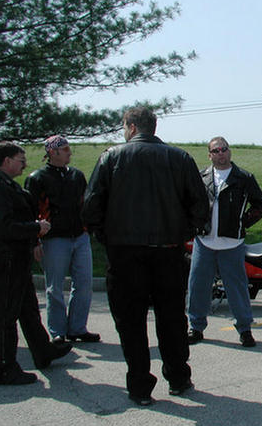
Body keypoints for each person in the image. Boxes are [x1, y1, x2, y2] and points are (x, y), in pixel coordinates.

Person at [82, 107, 209, 406]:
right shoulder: (179, 158)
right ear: (153, 127)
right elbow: (200, 205)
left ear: (131, 126)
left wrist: (106, 236)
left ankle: (140, 386)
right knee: (172, 317)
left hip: (125, 253)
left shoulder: (111, 157)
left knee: (131, 321)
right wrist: (183, 232)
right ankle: (178, 377)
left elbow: (91, 206)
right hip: (168, 250)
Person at [187, 137, 262, 347]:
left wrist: (242, 223)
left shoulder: (244, 178)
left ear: (229, 151)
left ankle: (245, 329)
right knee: (197, 286)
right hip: (204, 242)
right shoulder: (201, 177)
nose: (220, 153)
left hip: (232, 245)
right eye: (215, 151)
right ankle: (195, 327)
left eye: (223, 149)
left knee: (237, 289)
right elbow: (189, 203)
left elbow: (260, 205)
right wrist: (196, 224)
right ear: (209, 155)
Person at [25, 136, 99, 344]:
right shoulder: (37, 178)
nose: (69, 152)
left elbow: (85, 202)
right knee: (55, 287)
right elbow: (30, 211)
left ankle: (77, 328)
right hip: (53, 239)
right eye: (65, 149)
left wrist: (88, 228)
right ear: (53, 152)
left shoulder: (77, 175)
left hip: (80, 236)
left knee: (84, 284)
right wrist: (35, 241)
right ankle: (57, 331)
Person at [0, 142, 51, 385]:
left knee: (21, 308)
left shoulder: (7, 185)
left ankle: (41, 351)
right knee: (5, 315)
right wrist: (35, 228)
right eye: (21, 159)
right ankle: (5, 367)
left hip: (15, 259)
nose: (25, 164)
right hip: (6, 259)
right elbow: (4, 227)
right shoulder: (0, 188)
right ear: (7, 161)